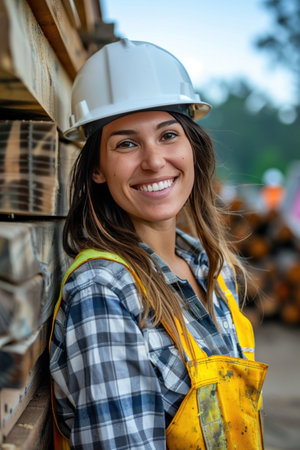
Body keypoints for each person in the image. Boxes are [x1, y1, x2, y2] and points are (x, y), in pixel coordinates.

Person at [49, 39, 268, 450]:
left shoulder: (204, 264)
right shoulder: (104, 292)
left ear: (192, 150)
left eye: (168, 135)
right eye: (127, 143)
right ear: (97, 168)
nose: (153, 161)